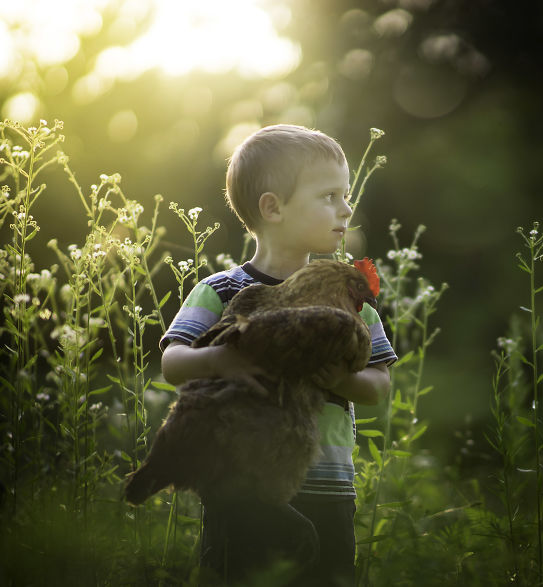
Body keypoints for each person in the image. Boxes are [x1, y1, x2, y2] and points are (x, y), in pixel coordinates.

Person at [159, 124, 396, 585]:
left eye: (346, 195)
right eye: (329, 195)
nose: (346, 208)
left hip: (327, 487)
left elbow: (379, 386)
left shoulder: (348, 297)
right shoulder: (221, 290)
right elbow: (172, 363)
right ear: (273, 207)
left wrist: (335, 380)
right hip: (239, 484)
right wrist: (219, 361)